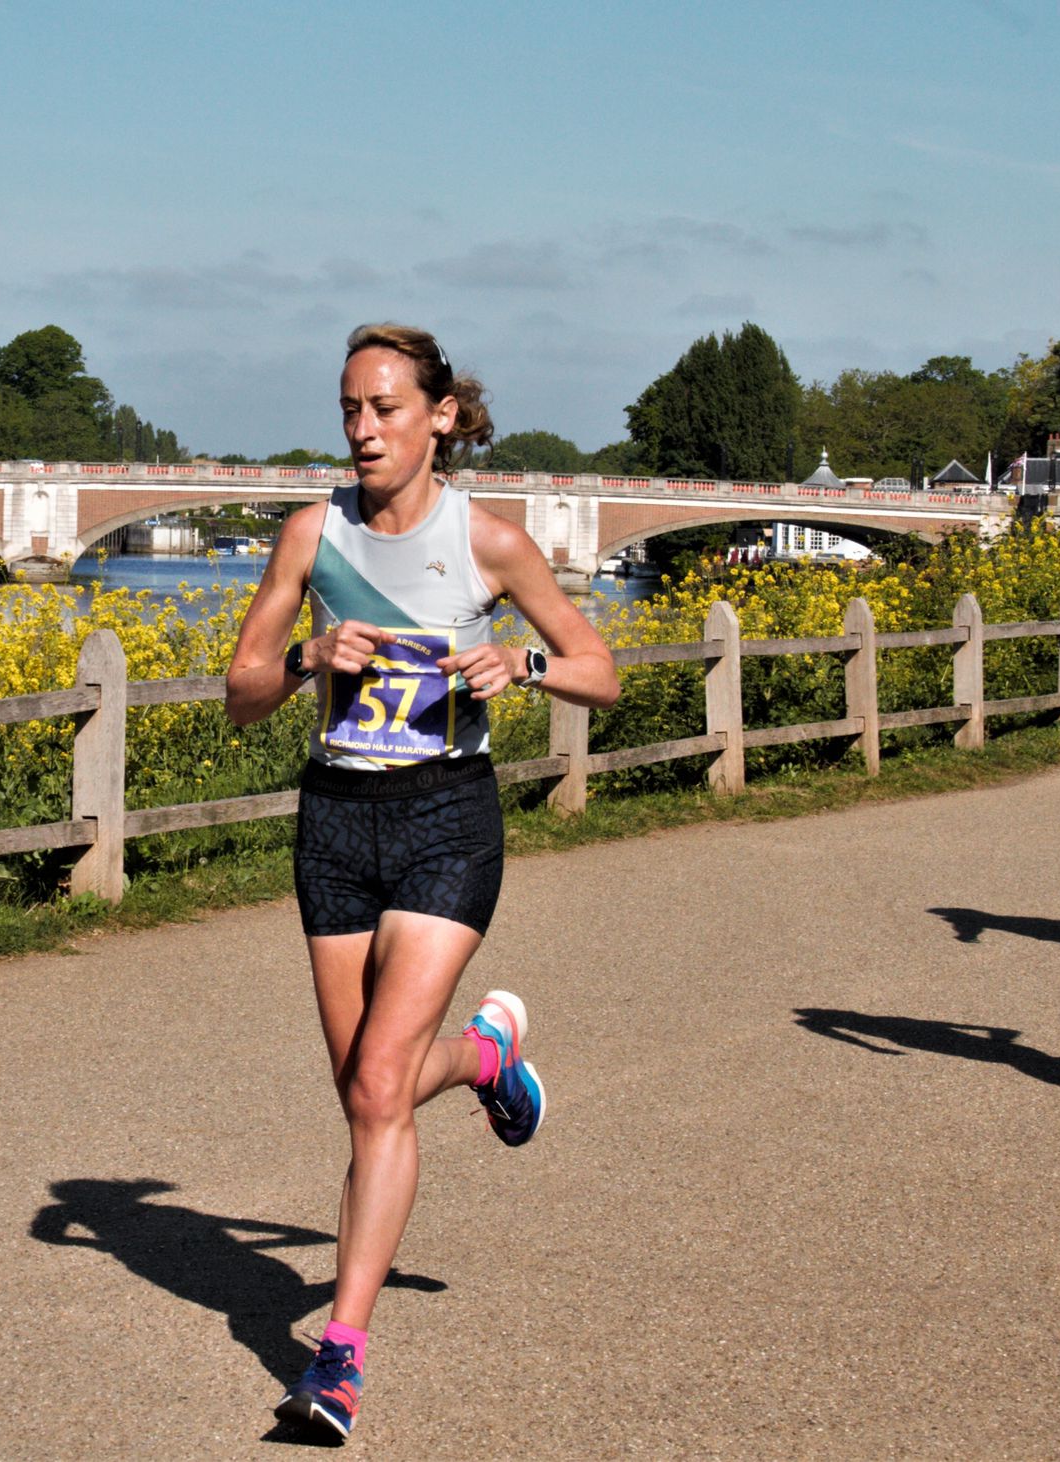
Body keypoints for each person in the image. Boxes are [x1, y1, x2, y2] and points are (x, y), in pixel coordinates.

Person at [225, 323, 621, 1441]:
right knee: (369, 1090)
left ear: (438, 416)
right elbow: (240, 692)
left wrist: (524, 664)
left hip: (447, 818)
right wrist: (308, 656)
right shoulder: (311, 535)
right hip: (335, 824)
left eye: (384, 408)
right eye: (348, 409)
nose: (360, 429)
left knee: (372, 1087)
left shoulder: (487, 543)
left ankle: (335, 1360)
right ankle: (487, 1057)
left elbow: (603, 674)